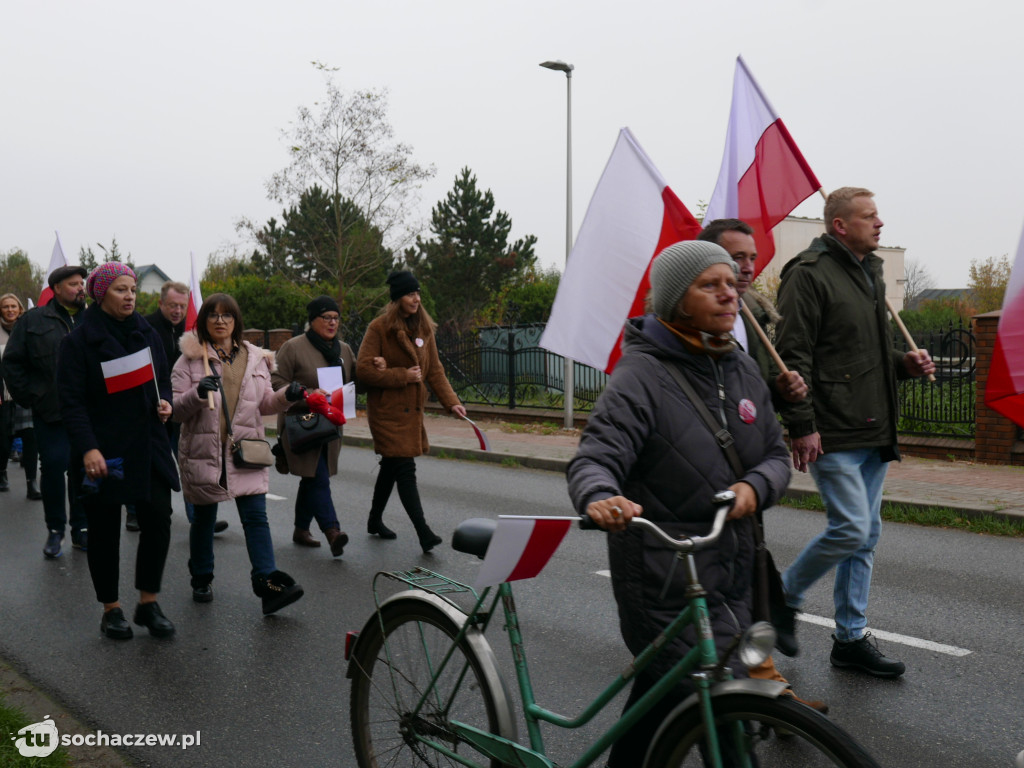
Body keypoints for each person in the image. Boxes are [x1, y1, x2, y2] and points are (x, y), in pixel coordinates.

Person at [567, 240, 791, 767]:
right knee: (718, 711)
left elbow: (777, 455)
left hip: (732, 572)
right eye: (709, 285)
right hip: (662, 579)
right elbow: (595, 456)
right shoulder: (639, 376)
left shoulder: (740, 368)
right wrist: (600, 497)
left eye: (731, 284)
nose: (729, 293)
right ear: (674, 301)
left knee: (662, 691)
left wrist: (756, 486)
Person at [772, 187, 935, 677]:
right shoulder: (808, 275)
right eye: (868, 217)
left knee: (866, 537)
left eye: (878, 215)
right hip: (834, 429)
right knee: (852, 529)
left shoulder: (870, 272)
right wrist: (801, 425)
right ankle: (783, 596)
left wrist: (903, 363)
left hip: (873, 426)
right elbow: (792, 355)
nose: (879, 223)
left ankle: (849, 638)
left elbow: (866, 354)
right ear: (840, 225)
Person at [698, 218, 826, 712]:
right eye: (735, 258)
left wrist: (784, 391)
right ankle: (759, 695)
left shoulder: (751, 314)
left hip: (745, 477)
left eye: (751, 258)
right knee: (719, 599)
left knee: (747, 584)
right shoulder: (692, 327)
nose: (747, 268)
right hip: (704, 481)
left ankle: (769, 690)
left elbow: (748, 391)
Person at [56, 263, 180, 640]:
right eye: (121, 290)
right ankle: (111, 608)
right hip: (105, 451)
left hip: (148, 444)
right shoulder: (77, 343)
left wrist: (166, 404)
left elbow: (163, 381)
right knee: (106, 529)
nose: (130, 296)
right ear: (100, 294)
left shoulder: (147, 334)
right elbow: (72, 403)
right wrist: (89, 448)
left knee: (158, 518)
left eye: (132, 290)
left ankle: (148, 602)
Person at [173, 294, 305, 613]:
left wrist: (288, 395)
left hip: (246, 450)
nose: (220, 321)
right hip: (205, 452)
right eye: (214, 315)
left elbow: (264, 405)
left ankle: (267, 583)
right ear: (203, 320)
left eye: (227, 315)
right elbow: (176, 411)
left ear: (237, 320)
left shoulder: (258, 358)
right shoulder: (189, 361)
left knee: (256, 518)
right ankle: (201, 577)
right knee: (204, 519)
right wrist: (197, 392)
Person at [356, 271, 466, 553]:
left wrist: (451, 401)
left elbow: (435, 371)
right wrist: (401, 375)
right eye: (409, 294)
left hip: (411, 413)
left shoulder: (424, 329)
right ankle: (423, 531)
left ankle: (373, 520)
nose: (416, 298)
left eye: (417, 293)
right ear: (397, 299)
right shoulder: (379, 328)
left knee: (392, 466)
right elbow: (364, 370)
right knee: (404, 468)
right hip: (387, 412)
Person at [3, 266, 90, 558]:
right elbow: (13, 363)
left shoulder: (93, 319)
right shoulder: (32, 321)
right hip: (50, 412)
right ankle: (56, 530)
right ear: (56, 288)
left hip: (89, 413)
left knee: (82, 469)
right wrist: (31, 397)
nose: (81, 288)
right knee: (53, 467)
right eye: (73, 283)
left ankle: (82, 528)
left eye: (82, 283)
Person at [272, 296, 354, 557]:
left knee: (312, 477)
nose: (332, 323)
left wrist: (378, 367)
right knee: (317, 475)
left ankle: (300, 529)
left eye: (336, 318)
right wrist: (305, 392)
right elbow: (275, 382)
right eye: (326, 317)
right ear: (313, 320)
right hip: (302, 423)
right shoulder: (293, 347)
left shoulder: (344, 350)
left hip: (331, 423)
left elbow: (356, 380)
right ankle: (333, 531)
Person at [144, 280, 227, 535]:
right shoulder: (146, 328)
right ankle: (139, 512)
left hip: (183, 405)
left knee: (189, 465)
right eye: (172, 305)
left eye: (182, 306)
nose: (178, 311)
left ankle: (200, 519)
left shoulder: (193, 329)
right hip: (153, 407)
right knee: (151, 463)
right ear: (161, 304)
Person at [0, 293, 41, 499]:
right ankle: (2, 472)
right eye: (5, 306)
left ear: (19, 309)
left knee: (30, 436)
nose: (9, 310)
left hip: (24, 393)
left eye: (13, 306)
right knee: (4, 441)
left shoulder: (27, 329)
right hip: (3, 395)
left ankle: (32, 482)